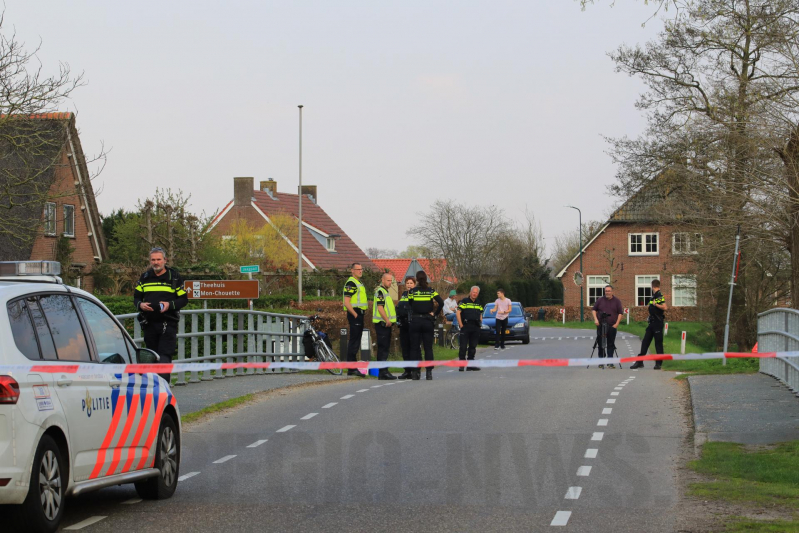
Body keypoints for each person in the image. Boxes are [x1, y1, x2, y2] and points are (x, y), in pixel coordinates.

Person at [133, 247, 188, 383]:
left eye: (158, 259)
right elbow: (136, 298)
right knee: (151, 356)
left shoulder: (174, 277)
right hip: (149, 323)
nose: (156, 262)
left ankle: (163, 389)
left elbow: (183, 299)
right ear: (150, 261)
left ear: (165, 260)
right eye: (153, 260)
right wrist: (140, 305)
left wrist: (169, 305)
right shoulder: (145, 277)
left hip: (167, 323)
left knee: (164, 356)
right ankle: (152, 389)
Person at [407, 270, 444, 380]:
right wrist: (435, 314)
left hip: (415, 321)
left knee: (414, 347)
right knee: (428, 347)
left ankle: (415, 372)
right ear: (426, 278)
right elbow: (441, 303)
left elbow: (410, 304)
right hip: (428, 321)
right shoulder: (431, 291)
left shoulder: (412, 291)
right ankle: (429, 372)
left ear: (417, 280)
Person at [630, 279, 668, 370]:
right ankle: (640, 362)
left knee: (658, 344)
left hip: (658, 323)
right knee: (645, 342)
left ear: (653, 286)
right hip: (652, 323)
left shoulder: (659, 295)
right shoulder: (655, 295)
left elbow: (665, 307)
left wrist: (656, 305)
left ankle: (658, 364)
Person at [343, 263, 368, 377]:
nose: (360, 271)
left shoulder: (358, 282)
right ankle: (351, 367)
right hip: (355, 314)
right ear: (352, 270)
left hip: (359, 313)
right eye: (358, 269)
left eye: (361, 269)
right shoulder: (351, 283)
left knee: (356, 340)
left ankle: (352, 367)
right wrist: (355, 315)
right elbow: (346, 302)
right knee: (354, 341)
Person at [372, 272, 397, 380]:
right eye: (388, 280)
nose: (390, 282)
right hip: (382, 324)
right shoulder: (381, 292)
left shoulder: (385, 292)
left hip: (386, 325)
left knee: (385, 348)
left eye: (391, 280)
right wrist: (387, 320)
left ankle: (383, 372)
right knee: (383, 349)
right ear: (383, 280)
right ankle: (383, 372)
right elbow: (380, 308)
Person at [592, 285, 623, 369]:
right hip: (601, 325)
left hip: (612, 326)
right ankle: (601, 361)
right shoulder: (600, 300)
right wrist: (596, 319)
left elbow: (620, 313)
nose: (607, 292)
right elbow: (594, 310)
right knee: (601, 343)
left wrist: (616, 324)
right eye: (606, 291)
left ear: (612, 292)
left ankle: (610, 362)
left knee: (611, 343)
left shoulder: (617, 301)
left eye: (609, 291)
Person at [456, 286, 483, 372]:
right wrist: (461, 325)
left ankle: (470, 365)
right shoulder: (464, 301)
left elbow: (480, 314)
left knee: (473, 347)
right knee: (463, 346)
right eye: (473, 292)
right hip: (466, 326)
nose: (474, 294)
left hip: (475, 326)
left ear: (478, 294)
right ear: (470, 292)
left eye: (476, 293)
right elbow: (458, 312)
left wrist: (480, 324)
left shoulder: (478, 303)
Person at [395, 276, 416, 380]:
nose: (409, 285)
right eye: (407, 283)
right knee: (405, 348)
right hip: (403, 324)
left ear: (415, 285)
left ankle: (413, 370)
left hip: (412, 324)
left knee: (412, 347)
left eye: (411, 283)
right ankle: (407, 371)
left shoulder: (416, 294)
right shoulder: (403, 294)